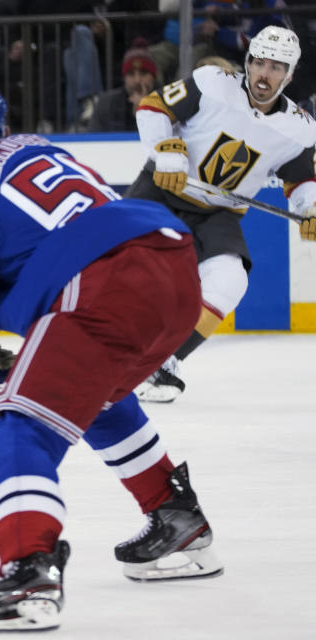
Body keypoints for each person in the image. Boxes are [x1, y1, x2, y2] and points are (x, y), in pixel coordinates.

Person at [0, 71, 223, 632]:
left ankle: (30, 572)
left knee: (19, 433)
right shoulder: (38, 147)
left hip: (105, 284)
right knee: (94, 393)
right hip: (174, 263)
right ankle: (177, 518)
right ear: (0, 125)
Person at [127, 25, 316, 402]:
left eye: (277, 67)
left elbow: (300, 181)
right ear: (247, 62)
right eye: (258, 63)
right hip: (163, 191)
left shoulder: (299, 130)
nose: (264, 74)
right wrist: (166, 148)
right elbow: (153, 107)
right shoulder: (212, 82)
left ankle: (164, 361)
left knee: (231, 280)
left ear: (290, 74)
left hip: (220, 215)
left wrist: (309, 208)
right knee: (118, 270)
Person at [88, 41, 159, 132]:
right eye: (131, 74)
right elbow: (93, 141)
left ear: (153, 77)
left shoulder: (168, 103)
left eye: (143, 73)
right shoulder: (106, 103)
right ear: (124, 78)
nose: (137, 80)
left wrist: (144, 114)